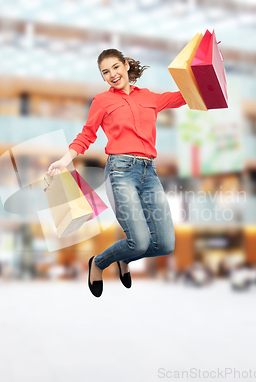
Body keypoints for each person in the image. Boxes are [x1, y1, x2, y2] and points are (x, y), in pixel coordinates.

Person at [48, 49, 186, 297]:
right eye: (105, 72)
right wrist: (64, 160)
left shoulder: (149, 97)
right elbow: (87, 135)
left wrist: (203, 79)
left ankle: (125, 258)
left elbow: (185, 96)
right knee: (140, 242)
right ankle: (98, 263)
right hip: (120, 172)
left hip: (149, 173)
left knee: (165, 244)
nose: (112, 74)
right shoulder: (102, 101)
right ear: (102, 77)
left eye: (115, 67)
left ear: (125, 65)